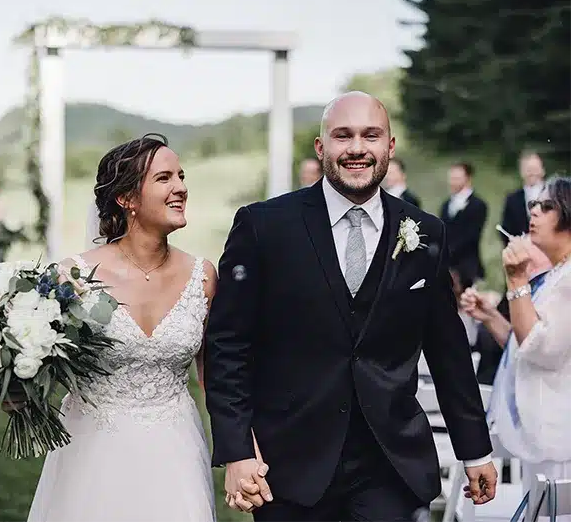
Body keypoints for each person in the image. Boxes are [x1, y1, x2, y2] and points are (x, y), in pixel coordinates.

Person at [204, 92, 497, 521]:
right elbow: (228, 345)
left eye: (370, 135)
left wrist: (475, 451)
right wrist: (237, 450)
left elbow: (448, 351)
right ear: (321, 147)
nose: (357, 148)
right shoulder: (264, 226)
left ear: (389, 146)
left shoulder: (426, 233)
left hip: (389, 467)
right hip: (289, 467)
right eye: (343, 136)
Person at [26, 133, 218, 522]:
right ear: (127, 198)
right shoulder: (72, 277)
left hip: (175, 448)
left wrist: (244, 449)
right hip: (92, 449)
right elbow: (37, 361)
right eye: (164, 178)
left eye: (181, 176)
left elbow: (214, 376)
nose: (181, 187)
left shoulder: (203, 276)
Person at [461, 176, 571, 507]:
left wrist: (516, 279)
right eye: (533, 204)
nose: (533, 212)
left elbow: (540, 351)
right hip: (542, 434)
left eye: (547, 206)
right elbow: (524, 343)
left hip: (559, 437)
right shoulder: (556, 275)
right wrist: (492, 317)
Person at [439, 163, 488, 289]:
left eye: (457, 178)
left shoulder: (478, 205)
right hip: (447, 265)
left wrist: (450, 251)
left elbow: (472, 236)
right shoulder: (446, 205)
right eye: (451, 178)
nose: (452, 182)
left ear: (468, 179)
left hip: (468, 265)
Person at [499, 150, 546, 244]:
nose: (532, 173)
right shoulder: (512, 199)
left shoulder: (554, 195)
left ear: (543, 170)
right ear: (521, 172)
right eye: (528, 169)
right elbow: (506, 229)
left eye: (535, 169)